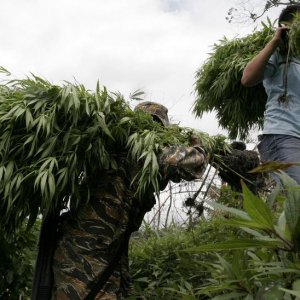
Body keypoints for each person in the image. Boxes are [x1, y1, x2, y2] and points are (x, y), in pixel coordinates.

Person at [50, 101, 208, 299]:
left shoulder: (112, 146)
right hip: (86, 251)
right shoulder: (142, 151)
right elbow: (187, 161)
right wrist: (199, 147)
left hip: (96, 247)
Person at [241, 4, 300, 184]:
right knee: (296, 196)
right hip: (283, 135)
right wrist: (274, 42)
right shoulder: (279, 55)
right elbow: (247, 78)